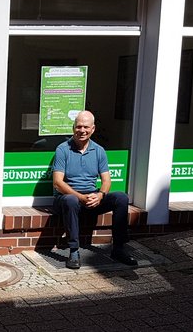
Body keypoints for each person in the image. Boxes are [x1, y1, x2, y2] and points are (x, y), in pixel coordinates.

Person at [52, 111, 136, 269]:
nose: (82, 130)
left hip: (91, 198)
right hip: (67, 199)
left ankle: (118, 248)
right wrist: (80, 197)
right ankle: (74, 251)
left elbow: (106, 180)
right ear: (73, 128)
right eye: (78, 127)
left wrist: (100, 195)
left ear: (93, 129)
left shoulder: (99, 151)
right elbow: (57, 183)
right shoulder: (62, 149)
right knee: (71, 199)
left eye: (86, 127)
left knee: (121, 198)